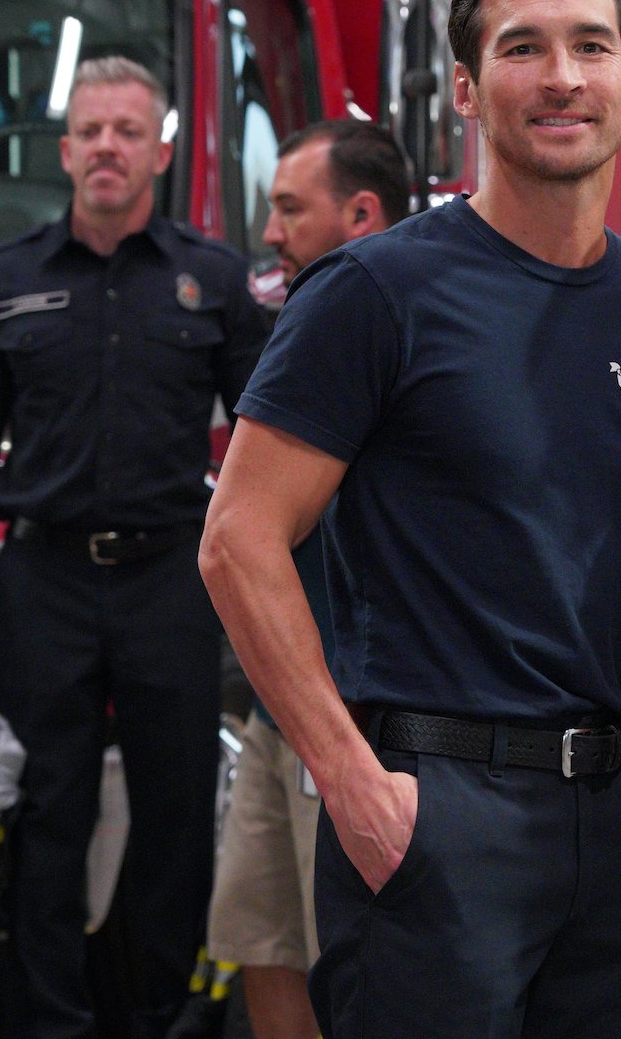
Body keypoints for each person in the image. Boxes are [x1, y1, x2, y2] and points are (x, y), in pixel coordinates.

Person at [199, 0, 621, 1039]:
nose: (560, 76)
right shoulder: (375, 294)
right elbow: (238, 541)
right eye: (521, 47)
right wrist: (351, 781)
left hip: (610, 815)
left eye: (590, 46)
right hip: (435, 809)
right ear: (471, 93)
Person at [0, 56, 270, 1039]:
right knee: (46, 816)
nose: (108, 147)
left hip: (170, 579)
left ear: (161, 150)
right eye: (91, 131)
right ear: (64, 152)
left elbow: (272, 437)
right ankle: (49, 1023)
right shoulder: (7, 282)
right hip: (45, 580)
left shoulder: (214, 281)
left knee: (177, 816)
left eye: (128, 131)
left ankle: (153, 1015)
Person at [206, 118, 409, 1039]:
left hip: (353, 712)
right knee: (263, 935)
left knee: (350, 959)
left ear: (361, 212)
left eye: (291, 209)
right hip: (277, 699)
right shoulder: (302, 319)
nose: (273, 233)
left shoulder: (407, 328)